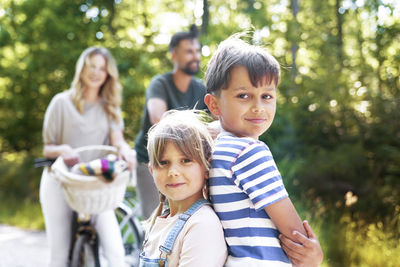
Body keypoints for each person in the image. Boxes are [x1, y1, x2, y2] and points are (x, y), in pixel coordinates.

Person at [204, 36, 324, 266]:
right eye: (243, 95)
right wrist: (313, 255)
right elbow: (295, 236)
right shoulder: (249, 151)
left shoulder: (213, 147)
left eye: (266, 96)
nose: (258, 106)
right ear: (214, 104)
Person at [40, 46, 136, 267]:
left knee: (116, 253)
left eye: (102, 68)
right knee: (59, 254)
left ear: (108, 74)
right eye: (91, 66)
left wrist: (126, 151)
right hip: (60, 181)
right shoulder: (61, 103)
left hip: (94, 185)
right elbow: (47, 148)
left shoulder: (109, 107)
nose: (96, 72)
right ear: (82, 68)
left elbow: (117, 140)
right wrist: (63, 150)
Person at [134, 25, 208, 219]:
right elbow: (158, 119)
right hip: (152, 161)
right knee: (154, 219)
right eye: (189, 52)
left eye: (197, 51)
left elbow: (213, 128)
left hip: (183, 162)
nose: (195, 56)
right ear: (174, 55)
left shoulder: (200, 89)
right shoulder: (160, 83)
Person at [139, 110, 227, 267]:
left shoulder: (202, 225)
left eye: (185, 160)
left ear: (206, 167)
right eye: (164, 162)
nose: (173, 172)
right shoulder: (159, 222)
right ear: (152, 171)